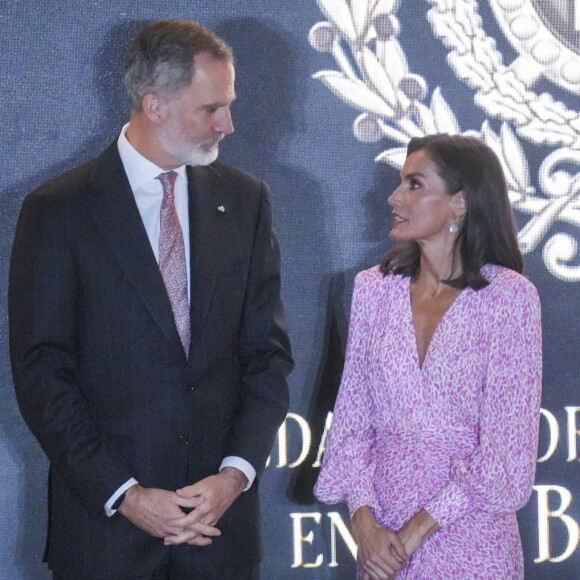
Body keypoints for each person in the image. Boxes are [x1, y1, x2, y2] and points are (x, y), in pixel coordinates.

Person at [9, 19, 293, 580]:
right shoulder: (59, 210)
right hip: (106, 538)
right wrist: (127, 495)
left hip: (219, 537)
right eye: (211, 108)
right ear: (154, 105)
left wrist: (233, 476)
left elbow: (268, 357)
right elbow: (42, 374)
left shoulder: (245, 201)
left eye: (229, 105)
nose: (229, 124)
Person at [314, 134, 542, 579]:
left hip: (471, 538)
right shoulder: (373, 289)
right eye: (400, 183)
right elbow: (352, 423)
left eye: (414, 184)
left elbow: (507, 459)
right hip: (383, 544)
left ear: (460, 202)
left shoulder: (510, 299)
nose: (394, 197)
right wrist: (365, 521)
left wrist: (418, 531)